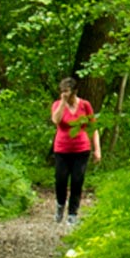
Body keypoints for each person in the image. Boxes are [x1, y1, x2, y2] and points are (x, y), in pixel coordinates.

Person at [49, 77, 99, 225]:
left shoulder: (85, 105)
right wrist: (63, 103)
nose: (64, 94)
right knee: (61, 180)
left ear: (74, 91)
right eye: (62, 91)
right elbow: (56, 120)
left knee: (77, 181)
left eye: (67, 92)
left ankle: (72, 214)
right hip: (62, 149)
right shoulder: (57, 105)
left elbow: (93, 128)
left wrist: (97, 149)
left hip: (81, 149)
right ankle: (60, 205)